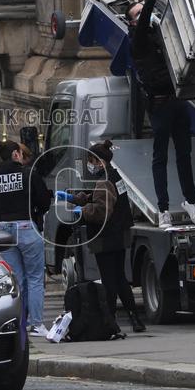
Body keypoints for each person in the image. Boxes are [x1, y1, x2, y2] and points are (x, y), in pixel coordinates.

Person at [125, 0, 195, 229]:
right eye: (135, 14)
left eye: (140, 11)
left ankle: (191, 202)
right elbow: (145, 16)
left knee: (184, 155)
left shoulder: (159, 35)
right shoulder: (137, 41)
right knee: (160, 158)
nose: (142, 16)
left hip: (177, 100)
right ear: (132, 22)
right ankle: (164, 209)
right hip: (159, 105)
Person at [56, 141, 146, 333]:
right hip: (119, 234)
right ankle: (135, 319)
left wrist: (82, 210)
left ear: (100, 161)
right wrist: (74, 198)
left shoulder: (103, 180)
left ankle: (110, 322)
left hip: (105, 237)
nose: (90, 164)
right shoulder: (115, 176)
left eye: (91, 161)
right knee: (120, 278)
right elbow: (98, 197)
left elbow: (101, 210)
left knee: (109, 281)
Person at [0, 139, 52, 336]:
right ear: (16, 155)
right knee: (36, 278)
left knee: (17, 280)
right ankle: (36, 324)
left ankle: (20, 322)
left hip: (3, 230)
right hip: (26, 226)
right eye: (20, 153)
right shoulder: (28, 174)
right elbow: (44, 201)